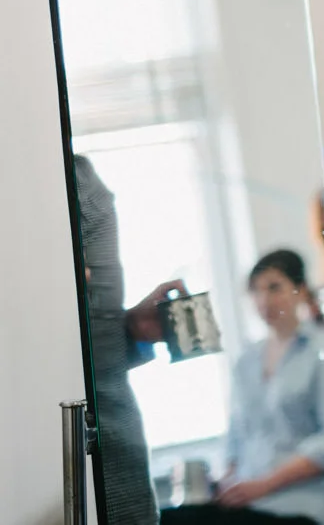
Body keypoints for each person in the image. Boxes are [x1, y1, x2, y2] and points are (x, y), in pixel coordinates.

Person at [74, 153, 188, 525]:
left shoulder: (81, 185)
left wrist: (132, 329)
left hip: (116, 464)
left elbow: (90, 351)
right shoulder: (72, 186)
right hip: (89, 454)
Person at [212, 249, 324, 525]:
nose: (264, 300)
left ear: (299, 290)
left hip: (305, 503)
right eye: (256, 291)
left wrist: (265, 484)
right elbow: (236, 436)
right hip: (252, 502)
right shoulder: (247, 361)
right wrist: (227, 479)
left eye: (274, 287)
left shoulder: (323, 353)